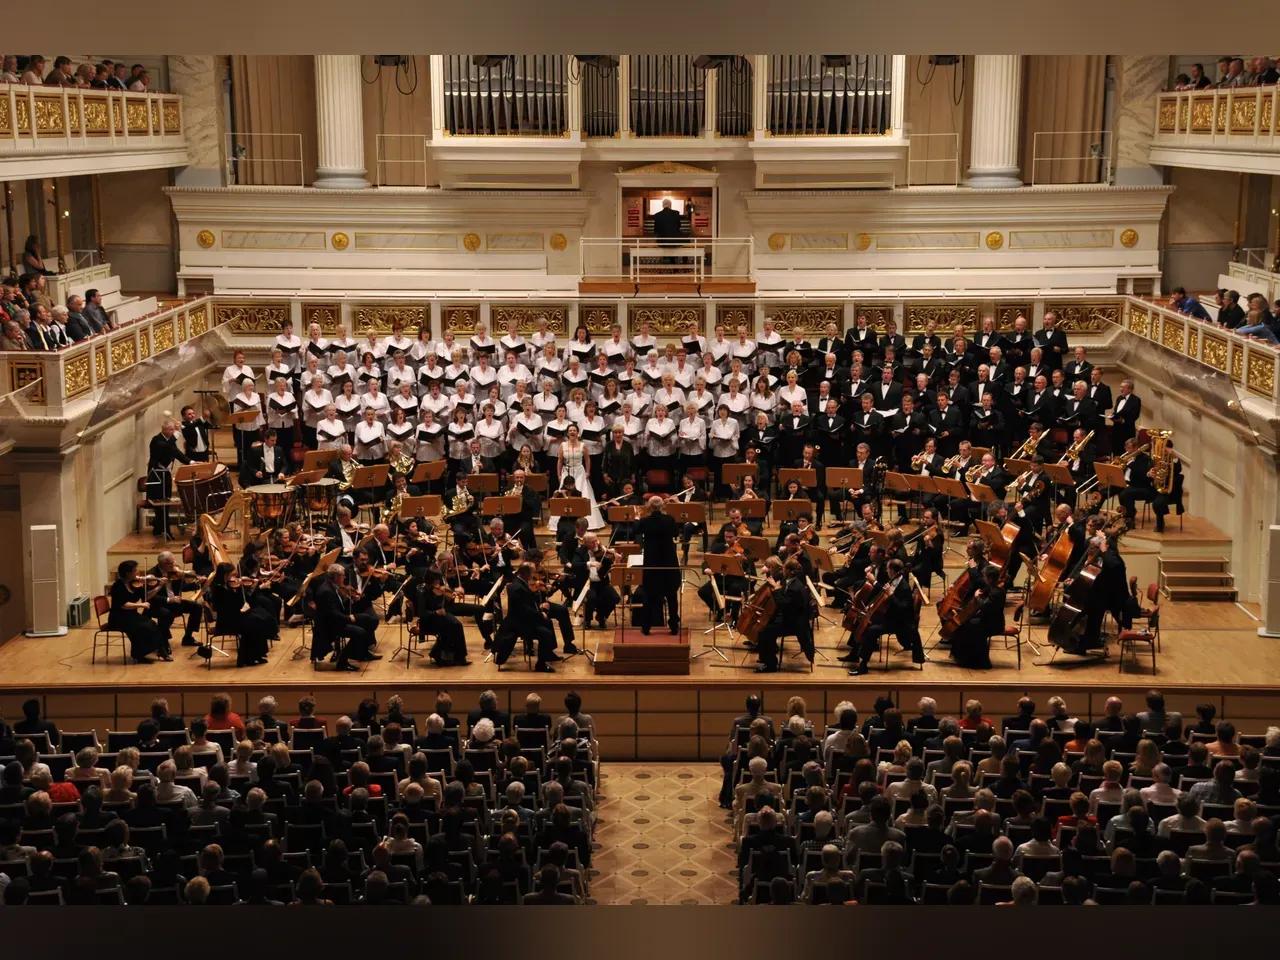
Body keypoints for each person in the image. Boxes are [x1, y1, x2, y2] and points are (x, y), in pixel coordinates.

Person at [635, 496, 680, 635]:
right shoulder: (669, 519)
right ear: (662, 506)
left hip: (652, 564)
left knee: (649, 596)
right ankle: (674, 626)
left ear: (649, 506)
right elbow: (676, 533)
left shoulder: (645, 521)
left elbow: (636, 530)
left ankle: (646, 627)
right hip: (669, 563)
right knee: (672, 596)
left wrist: (637, 517)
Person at [146, 418, 190, 537]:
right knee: (159, 503)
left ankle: (163, 528)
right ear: (164, 430)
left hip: (166, 475)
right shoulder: (156, 440)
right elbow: (165, 447)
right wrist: (176, 434)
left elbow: (177, 453)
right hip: (156, 476)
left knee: (167, 501)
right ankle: (162, 528)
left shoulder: (170, 441)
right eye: (170, 430)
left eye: (173, 430)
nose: (172, 432)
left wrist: (190, 462)